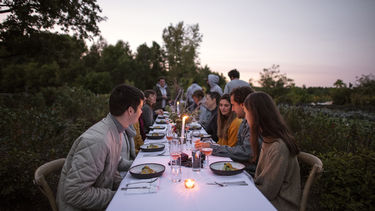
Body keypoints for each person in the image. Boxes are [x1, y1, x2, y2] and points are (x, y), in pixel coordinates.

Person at [56, 84, 144, 210]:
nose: (141, 112)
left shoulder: (115, 129)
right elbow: (74, 194)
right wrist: (119, 196)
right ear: (130, 111)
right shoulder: (97, 141)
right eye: (140, 108)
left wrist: (126, 187)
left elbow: (112, 165)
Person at [243, 91, 301, 211]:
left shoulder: (278, 147)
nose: (245, 117)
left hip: (279, 204)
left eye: (246, 113)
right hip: (266, 198)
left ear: (256, 114)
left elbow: (268, 191)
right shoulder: (268, 139)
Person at [195, 86, 261, 173]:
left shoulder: (251, 124)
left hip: (248, 171)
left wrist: (212, 148)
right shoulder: (244, 122)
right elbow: (237, 148)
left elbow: (245, 153)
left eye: (232, 105)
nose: (232, 109)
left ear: (243, 105)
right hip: (240, 166)